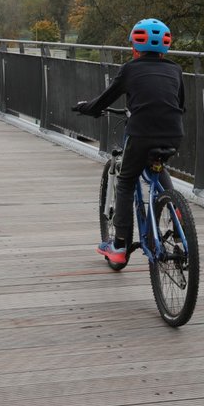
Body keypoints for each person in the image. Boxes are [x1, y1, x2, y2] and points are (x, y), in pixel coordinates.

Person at [75, 18, 185, 265]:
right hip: (173, 133)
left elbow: (104, 100)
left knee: (125, 181)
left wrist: (86, 108)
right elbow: (179, 104)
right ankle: (178, 223)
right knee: (159, 167)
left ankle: (120, 245)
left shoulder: (129, 69)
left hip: (141, 133)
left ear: (135, 46)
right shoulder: (176, 70)